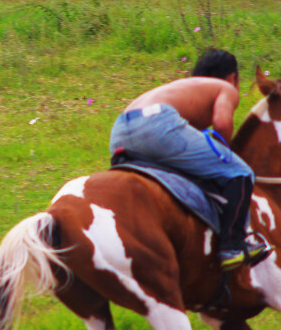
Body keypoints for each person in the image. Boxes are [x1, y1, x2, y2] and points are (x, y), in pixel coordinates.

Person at [110, 48, 269, 268]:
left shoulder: (183, 88)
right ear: (233, 78)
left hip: (120, 131)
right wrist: (224, 155)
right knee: (240, 172)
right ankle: (232, 246)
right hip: (157, 125)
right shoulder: (225, 88)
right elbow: (222, 124)